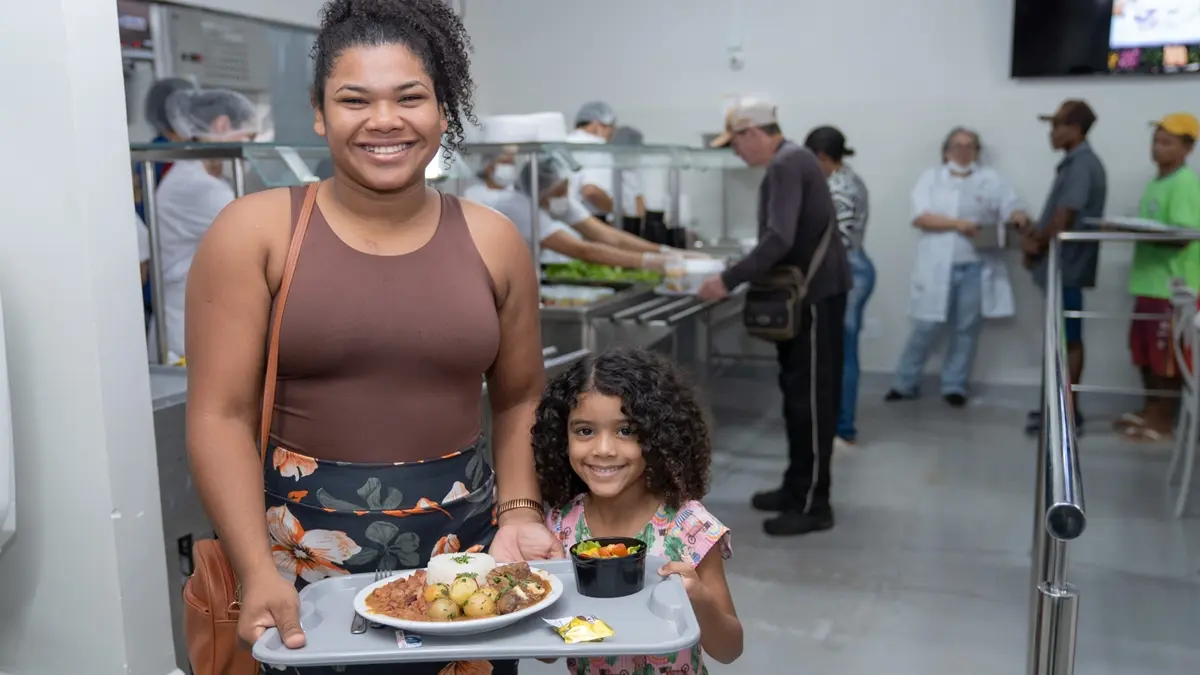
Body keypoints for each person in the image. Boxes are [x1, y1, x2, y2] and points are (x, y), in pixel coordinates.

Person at [184, 2, 561, 675]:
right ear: (320, 112)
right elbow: (220, 415)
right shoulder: (256, 232)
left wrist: (522, 510)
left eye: (410, 97)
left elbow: (520, 397)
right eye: (355, 99)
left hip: (467, 556)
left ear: (443, 110)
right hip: (300, 561)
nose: (384, 120)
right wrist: (254, 567)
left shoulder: (493, 239)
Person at [533, 349, 744, 674]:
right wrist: (541, 594)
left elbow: (729, 648)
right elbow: (547, 654)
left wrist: (698, 597)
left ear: (659, 435)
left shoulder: (690, 528)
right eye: (585, 431)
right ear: (562, 438)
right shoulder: (560, 527)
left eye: (626, 430)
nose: (604, 449)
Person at [698, 97, 850, 536]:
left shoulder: (788, 163)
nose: (737, 153)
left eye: (737, 143)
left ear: (753, 133)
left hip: (816, 298)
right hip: (810, 297)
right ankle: (796, 485)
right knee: (797, 395)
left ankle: (813, 503)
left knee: (813, 402)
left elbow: (778, 239)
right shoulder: (793, 160)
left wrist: (727, 279)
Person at [885, 127, 1029, 407]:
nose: (963, 152)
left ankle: (954, 385)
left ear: (977, 151)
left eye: (970, 146)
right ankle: (904, 383)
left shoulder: (991, 179)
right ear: (946, 150)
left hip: (976, 267)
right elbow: (921, 217)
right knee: (925, 325)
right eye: (957, 146)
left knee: (966, 328)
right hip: (938, 267)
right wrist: (960, 225)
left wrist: (1018, 214)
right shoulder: (930, 178)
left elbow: (1011, 205)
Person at [1020, 100, 1107, 436]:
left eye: (1057, 126)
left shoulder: (1082, 165)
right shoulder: (1072, 164)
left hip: (1068, 268)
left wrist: (1036, 245)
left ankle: (1067, 413)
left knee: (1069, 340)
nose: (1052, 134)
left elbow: (1063, 217)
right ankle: (1057, 409)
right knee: (1061, 340)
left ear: (1076, 129)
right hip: (1060, 267)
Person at [154, 87, 259, 358]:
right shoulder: (196, 186)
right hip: (184, 329)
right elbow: (256, 234)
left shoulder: (203, 178)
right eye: (248, 136)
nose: (249, 149)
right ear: (221, 126)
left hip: (197, 314)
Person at [1115, 112, 1200, 441]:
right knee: (1143, 353)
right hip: (1147, 284)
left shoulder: (1185, 184)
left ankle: (1164, 419)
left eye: (1167, 142)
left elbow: (1184, 235)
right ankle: (1150, 409)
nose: (1157, 148)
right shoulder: (1156, 182)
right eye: (1156, 140)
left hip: (1173, 287)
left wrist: (1141, 232)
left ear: (1187, 149)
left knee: (1166, 358)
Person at [804, 126, 872, 448]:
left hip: (848, 271)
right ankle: (838, 422)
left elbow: (839, 241)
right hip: (852, 268)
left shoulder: (840, 187)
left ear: (821, 156)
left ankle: (843, 427)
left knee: (842, 353)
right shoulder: (846, 178)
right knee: (839, 351)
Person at [567, 101, 645, 220]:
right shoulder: (598, 147)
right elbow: (591, 191)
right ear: (597, 124)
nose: (611, 136)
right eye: (610, 130)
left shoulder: (564, 143)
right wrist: (619, 212)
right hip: (586, 226)